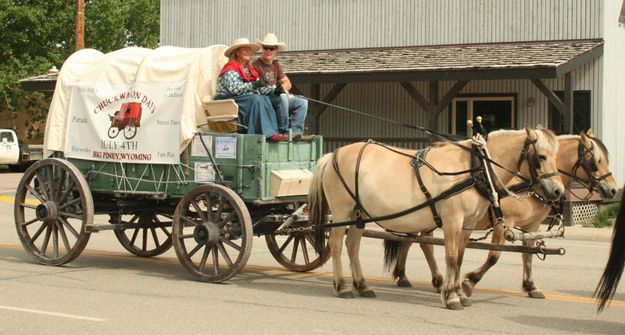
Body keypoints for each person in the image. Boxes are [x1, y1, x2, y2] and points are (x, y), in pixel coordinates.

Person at [214, 38, 287, 142]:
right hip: (228, 99)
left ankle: (274, 132)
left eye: (249, 50)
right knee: (256, 99)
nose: (249, 52)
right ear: (237, 52)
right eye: (245, 50)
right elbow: (235, 89)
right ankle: (265, 133)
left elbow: (259, 89)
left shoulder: (249, 70)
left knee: (266, 99)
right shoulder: (230, 68)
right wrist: (254, 84)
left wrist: (273, 91)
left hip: (242, 98)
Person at [252, 33, 315, 141]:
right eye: (265, 48)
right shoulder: (256, 65)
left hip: (277, 97)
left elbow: (287, 83)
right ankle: (283, 132)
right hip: (265, 100)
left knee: (302, 102)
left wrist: (281, 89)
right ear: (262, 49)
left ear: (276, 50)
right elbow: (256, 87)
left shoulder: (275, 65)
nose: (268, 50)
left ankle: (296, 133)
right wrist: (276, 91)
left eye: (271, 48)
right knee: (283, 98)